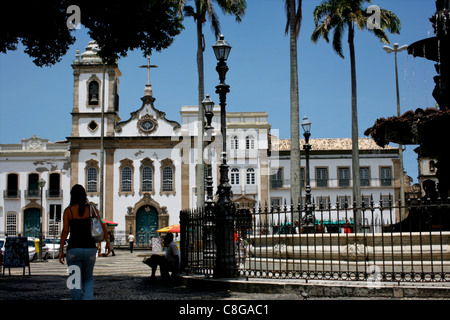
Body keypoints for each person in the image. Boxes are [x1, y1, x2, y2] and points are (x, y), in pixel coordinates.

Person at [59, 184, 111, 300]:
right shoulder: (91, 209)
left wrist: (61, 249)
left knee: (75, 280)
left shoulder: (68, 211)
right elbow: (102, 226)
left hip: (73, 249)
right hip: (90, 249)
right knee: (88, 279)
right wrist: (108, 242)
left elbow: (65, 231)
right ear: (84, 195)